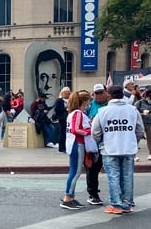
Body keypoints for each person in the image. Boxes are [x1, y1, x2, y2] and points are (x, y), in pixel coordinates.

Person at [92, 85, 145, 214]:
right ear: (122, 94)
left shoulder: (103, 112)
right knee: (127, 176)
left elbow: (95, 132)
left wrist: (101, 141)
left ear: (109, 95)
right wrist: (133, 140)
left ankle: (116, 204)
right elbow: (140, 130)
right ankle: (127, 204)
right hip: (128, 148)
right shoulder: (132, 110)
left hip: (110, 148)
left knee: (113, 176)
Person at [60, 90, 92, 210]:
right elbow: (76, 130)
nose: (90, 102)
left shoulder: (73, 113)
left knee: (74, 171)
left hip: (74, 143)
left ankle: (70, 196)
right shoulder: (78, 113)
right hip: (77, 143)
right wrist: (90, 131)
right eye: (88, 100)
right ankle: (68, 197)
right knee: (75, 172)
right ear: (84, 101)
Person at [53, 87, 71, 153]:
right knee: (63, 133)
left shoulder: (70, 100)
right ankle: (62, 147)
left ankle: (66, 146)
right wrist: (65, 110)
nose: (67, 94)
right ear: (62, 93)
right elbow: (57, 109)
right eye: (66, 93)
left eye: (68, 93)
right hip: (62, 118)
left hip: (69, 117)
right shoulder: (59, 100)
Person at [135, 89, 151, 161]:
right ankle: (134, 155)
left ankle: (150, 154)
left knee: (150, 140)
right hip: (140, 123)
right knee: (136, 139)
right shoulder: (140, 102)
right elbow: (135, 110)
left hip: (149, 123)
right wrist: (142, 112)